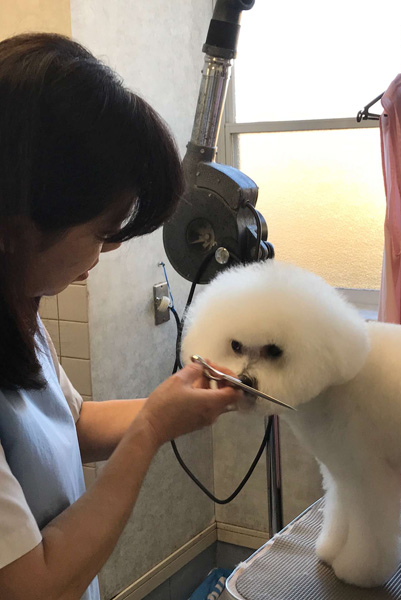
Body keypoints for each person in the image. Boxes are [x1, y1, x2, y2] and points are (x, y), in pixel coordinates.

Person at [0, 33, 241, 600]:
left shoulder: (20, 317)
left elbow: (72, 425)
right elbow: (33, 584)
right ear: (19, 223)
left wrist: (188, 399)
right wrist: (152, 428)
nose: (101, 256)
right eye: (101, 235)